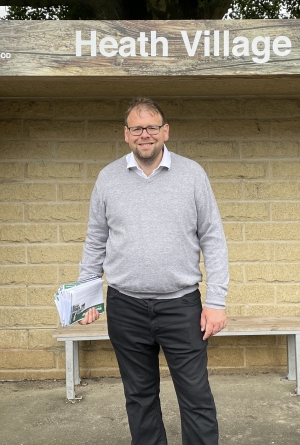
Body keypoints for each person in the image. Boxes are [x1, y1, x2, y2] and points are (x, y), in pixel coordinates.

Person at [77, 97, 229, 445]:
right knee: (139, 397)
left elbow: (213, 238)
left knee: (196, 397)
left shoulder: (192, 174)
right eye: (137, 128)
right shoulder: (108, 178)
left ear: (166, 132)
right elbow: (95, 241)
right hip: (125, 307)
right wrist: (86, 297)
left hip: (182, 307)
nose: (144, 134)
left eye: (152, 127)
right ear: (126, 134)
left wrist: (216, 301)